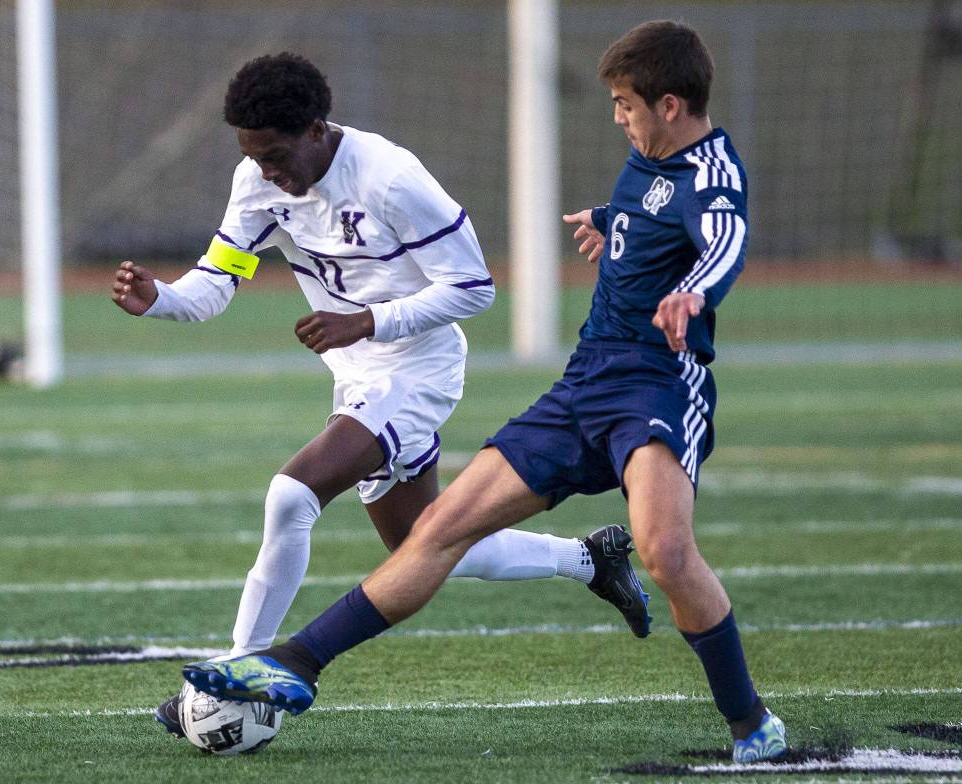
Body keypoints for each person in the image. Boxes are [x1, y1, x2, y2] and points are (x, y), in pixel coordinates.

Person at [183, 22, 789, 764]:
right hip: (582, 385)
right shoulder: (648, 158)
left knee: (666, 552)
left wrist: (694, 290)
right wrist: (612, 221)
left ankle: (750, 721)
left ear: (669, 103)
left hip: (656, 386)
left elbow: (725, 235)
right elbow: (655, 210)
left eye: (625, 104)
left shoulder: (713, 173)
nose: (617, 117)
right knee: (435, 533)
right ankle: (296, 663)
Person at [112, 53, 652, 739]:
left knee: (291, 495)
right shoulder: (257, 182)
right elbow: (218, 282)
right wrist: (160, 300)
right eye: (254, 157)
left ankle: (243, 678)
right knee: (423, 543)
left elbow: (474, 288)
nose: (267, 172)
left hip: (419, 368)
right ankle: (589, 559)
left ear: (315, 129)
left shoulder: (391, 178)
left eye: (276, 155)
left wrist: (369, 320)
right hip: (360, 378)